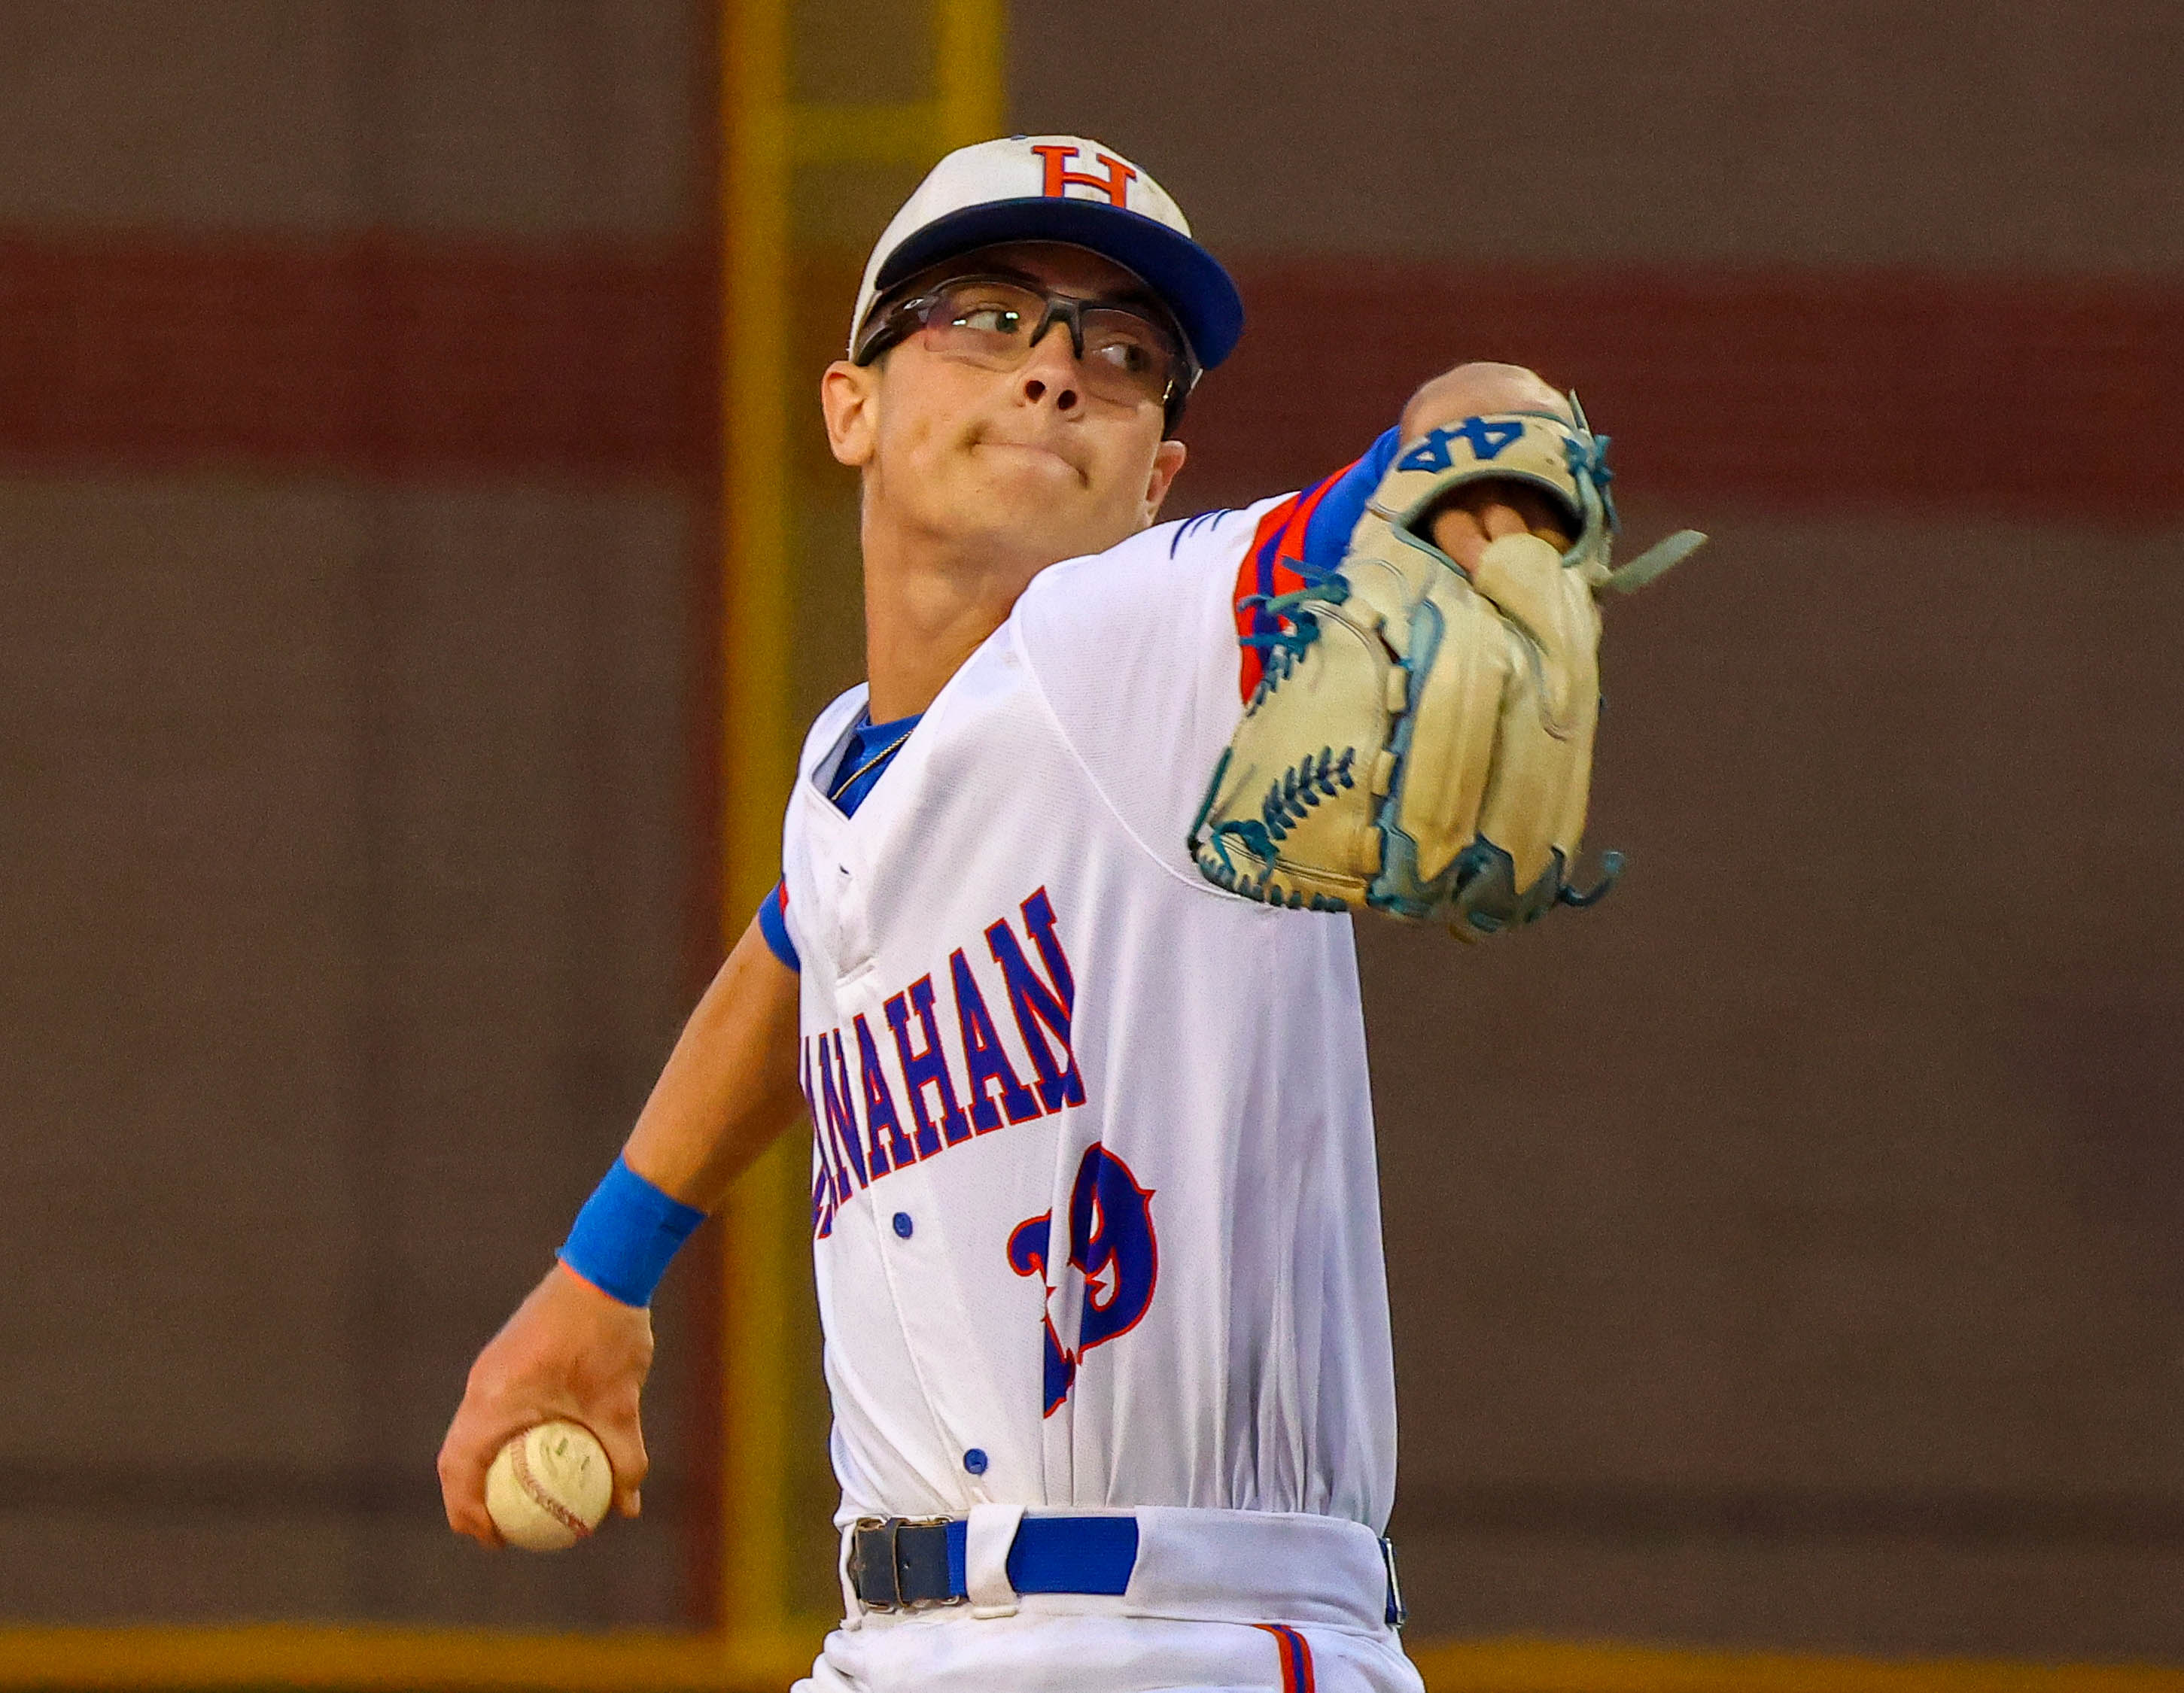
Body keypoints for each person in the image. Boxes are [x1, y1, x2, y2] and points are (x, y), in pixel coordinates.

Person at [440, 135, 1583, 1693]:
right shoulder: (853, 762)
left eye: (1123, 356)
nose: (1055, 372)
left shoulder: (1138, 639)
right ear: (851, 404)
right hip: (894, 1642)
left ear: (1160, 476)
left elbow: (1471, 423)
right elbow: (805, 940)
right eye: (984, 316)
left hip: (1183, 1642)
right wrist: (599, 1278)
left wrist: (1493, 464)